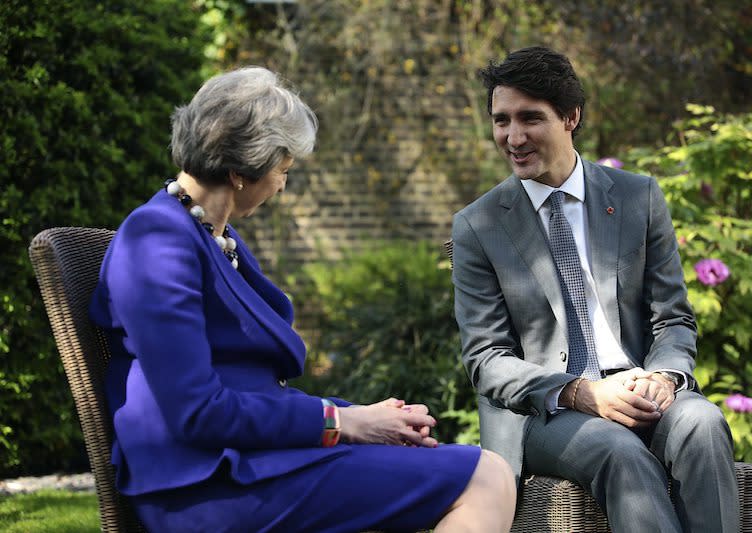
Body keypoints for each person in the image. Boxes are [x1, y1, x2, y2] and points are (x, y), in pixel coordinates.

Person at [90, 66, 516, 533]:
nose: (281, 186)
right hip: (206, 486)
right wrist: (341, 422)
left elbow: (251, 385)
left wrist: (362, 415)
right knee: (484, 478)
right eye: (282, 170)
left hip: (251, 462)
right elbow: (198, 411)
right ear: (239, 171)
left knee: (482, 467)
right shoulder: (157, 241)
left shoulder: (213, 236)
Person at [451, 46, 739, 533]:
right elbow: (487, 360)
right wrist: (582, 393)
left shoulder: (637, 196)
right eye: (501, 120)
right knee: (619, 450)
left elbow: (672, 318)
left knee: (704, 423)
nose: (512, 137)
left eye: (530, 118)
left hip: (644, 387)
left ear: (571, 117)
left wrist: (664, 377)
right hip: (547, 413)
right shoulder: (477, 225)